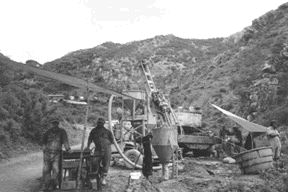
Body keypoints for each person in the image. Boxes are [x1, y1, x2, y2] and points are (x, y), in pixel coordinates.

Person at [42, 118, 71, 191]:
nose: (54, 124)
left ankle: (53, 184)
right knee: (46, 170)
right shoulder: (48, 132)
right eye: (53, 123)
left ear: (58, 123)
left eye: (56, 123)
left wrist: (68, 149)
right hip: (47, 154)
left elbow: (65, 141)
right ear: (51, 124)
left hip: (56, 154)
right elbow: (43, 141)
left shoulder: (62, 131)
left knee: (56, 170)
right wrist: (44, 148)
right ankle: (46, 186)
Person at [86, 117, 113, 186]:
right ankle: (96, 176)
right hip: (97, 149)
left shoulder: (107, 131)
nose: (100, 124)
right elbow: (89, 139)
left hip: (107, 149)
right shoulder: (93, 131)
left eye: (101, 123)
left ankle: (103, 178)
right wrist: (88, 147)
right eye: (99, 123)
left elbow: (112, 140)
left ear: (103, 123)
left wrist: (106, 144)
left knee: (106, 163)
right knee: (95, 162)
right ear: (97, 123)